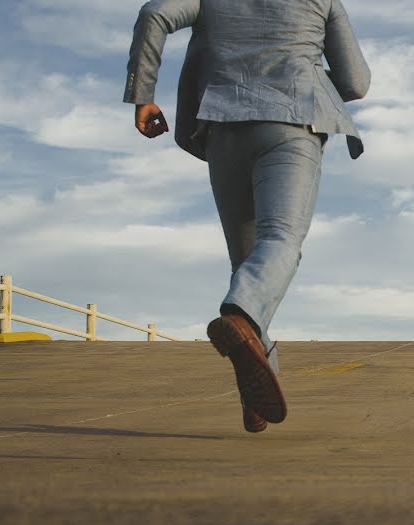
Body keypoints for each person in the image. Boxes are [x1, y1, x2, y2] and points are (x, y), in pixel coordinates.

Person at [124, 0, 371, 433]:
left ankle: (260, 390)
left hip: (224, 131)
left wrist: (143, 97)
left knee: (247, 269)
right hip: (291, 125)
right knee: (280, 242)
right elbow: (356, 82)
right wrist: (308, 82)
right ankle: (240, 322)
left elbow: (154, 14)